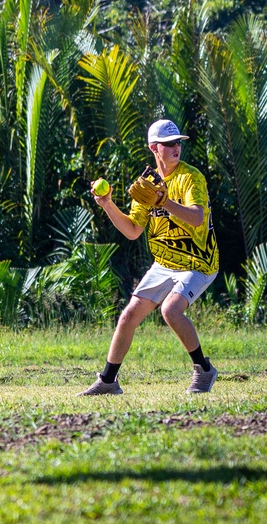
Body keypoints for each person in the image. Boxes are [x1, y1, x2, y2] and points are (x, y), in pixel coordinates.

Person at [79, 119, 219, 396]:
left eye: (178, 142)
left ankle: (204, 370)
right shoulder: (146, 185)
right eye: (169, 144)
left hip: (198, 261)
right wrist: (107, 204)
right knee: (128, 315)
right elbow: (132, 231)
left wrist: (164, 202)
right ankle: (108, 381)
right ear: (154, 147)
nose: (176, 147)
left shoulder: (191, 177)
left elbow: (197, 217)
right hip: (165, 263)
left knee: (170, 310)